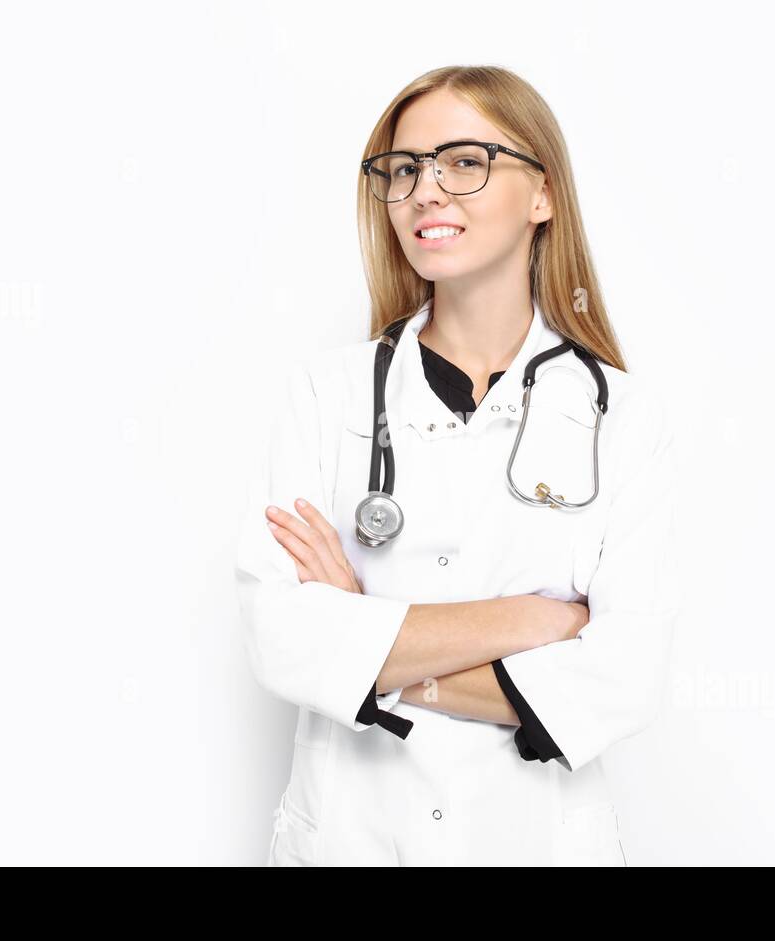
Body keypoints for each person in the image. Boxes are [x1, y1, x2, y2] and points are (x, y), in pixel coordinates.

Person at [233, 65, 680, 865]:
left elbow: (624, 674)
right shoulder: (324, 395)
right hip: (353, 836)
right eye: (404, 170)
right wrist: (535, 622)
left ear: (542, 194)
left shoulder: (623, 418)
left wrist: (371, 643)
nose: (426, 191)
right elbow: (284, 636)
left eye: (464, 162)